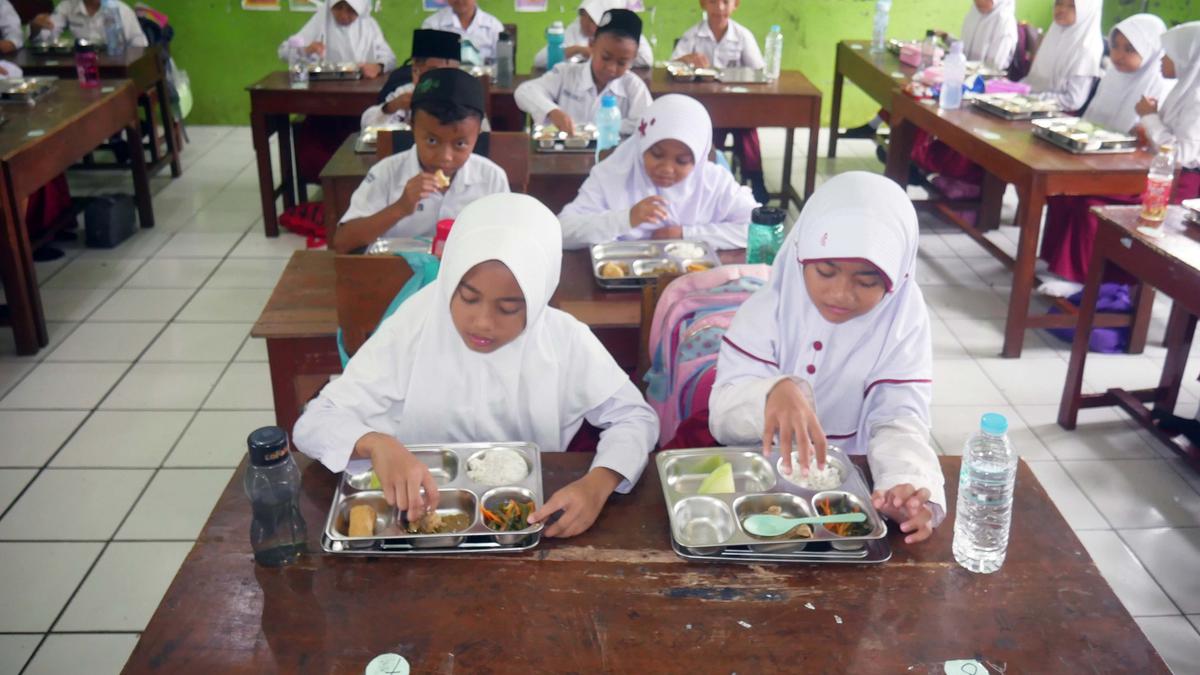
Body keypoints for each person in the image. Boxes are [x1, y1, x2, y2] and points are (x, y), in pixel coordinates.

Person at [294, 193, 660, 538]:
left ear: (539, 295)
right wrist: (374, 443)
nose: (483, 323)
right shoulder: (419, 321)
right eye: (468, 297)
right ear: (449, 278)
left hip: (526, 523)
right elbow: (314, 422)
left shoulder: (561, 339)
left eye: (509, 308)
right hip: (418, 520)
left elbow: (635, 418)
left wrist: (599, 483)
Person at [708, 172, 944, 544]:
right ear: (800, 256)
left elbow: (898, 419)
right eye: (825, 271)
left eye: (866, 282)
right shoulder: (766, 311)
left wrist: (904, 487)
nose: (840, 293)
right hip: (756, 485)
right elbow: (722, 420)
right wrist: (771, 394)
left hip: (846, 493)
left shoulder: (901, 322)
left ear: (897, 278)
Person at [1038, 15, 1187, 296]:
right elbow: (1094, 120)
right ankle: (1058, 263)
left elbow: (1157, 145)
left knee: (1089, 203)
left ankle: (1081, 278)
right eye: (1115, 46)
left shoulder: (1158, 87)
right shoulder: (1114, 76)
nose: (1118, 55)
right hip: (1103, 163)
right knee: (1061, 193)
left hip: (1136, 177)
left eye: (1130, 49)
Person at [334, 68, 509, 253]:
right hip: (396, 276)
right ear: (412, 127)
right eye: (432, 141)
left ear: (477, 134)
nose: (445, 157)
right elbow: (342, 242)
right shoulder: (386, 173)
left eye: (460, 143)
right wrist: (400, 208)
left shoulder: (492, 179)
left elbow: (507, 244)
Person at [558, 94, 757, 250]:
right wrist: (626, 219)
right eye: (656, 154)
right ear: (641, 145)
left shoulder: (713, 182)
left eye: (682, 161)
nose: (666, 169)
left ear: (698, 158)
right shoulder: (611, 175)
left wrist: (685, 234)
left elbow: (758, 229)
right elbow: (562, 231)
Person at [671, 0, 769, 203]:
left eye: (726, 2)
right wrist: (687, 59)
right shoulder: (693, 35)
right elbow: (671, 64)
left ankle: (756, 180)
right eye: (713, 2)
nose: (720, 8)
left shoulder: (742, 36)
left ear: (736, 5)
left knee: (748, 131)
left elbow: (759, 70)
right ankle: (713, 182)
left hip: (737, 105)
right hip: (706, 108)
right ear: (703, 4)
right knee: (711, 136)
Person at [515, 8, 652, 137]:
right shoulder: (566, 74)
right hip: (564, 158)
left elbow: (648, 123)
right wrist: (552, 111)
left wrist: (603, 127)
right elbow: (524, 91)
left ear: (633, 58)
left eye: (622, 63)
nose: (611, 68)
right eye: (605, 57)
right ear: (592, 45)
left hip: (612, 159)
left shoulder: (633, 87)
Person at [360, 29, 461, 130]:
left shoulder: (465, 96)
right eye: (415, 71)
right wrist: (391, 107)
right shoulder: (407, 92)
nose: (421, 79)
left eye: (432, 72)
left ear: (453, 71)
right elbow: (366, 124)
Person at [276, 0, 395, 77]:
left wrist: (379, 66)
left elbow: (390, 59)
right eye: (338, 8)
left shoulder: (369, 26)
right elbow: (283, 52)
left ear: (361, 11)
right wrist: (306, 49)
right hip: (323, 95)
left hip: (362, 95)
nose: (343, 15)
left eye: (351, 10)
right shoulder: (320, 21)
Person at [1022, 0, 1104, 112]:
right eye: (1059, 3)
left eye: (1072, 6)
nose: (1061, 10)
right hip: (1031, 105)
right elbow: (1034, 81)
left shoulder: (1086, 48)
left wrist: (1031, 97)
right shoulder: (1054, 34)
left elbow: (1073, 101)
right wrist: (1017, 88)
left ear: (1087, 11)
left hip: (1058, 115)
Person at [532, 0, 654, 69]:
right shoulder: (576, 29)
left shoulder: (620, 32)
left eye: (593, 20)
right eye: (583, 16)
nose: (586, 24)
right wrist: (577, 50)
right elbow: (539, 60)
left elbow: (647, 59)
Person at [32, 0, 148, 48]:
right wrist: (36, 28)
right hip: (80, 66)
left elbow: (141, 48)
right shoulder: (68, 6)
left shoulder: (120, 10)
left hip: (115, 67)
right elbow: (45, 39)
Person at [422, 0, 504, 64]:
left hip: (484, 81)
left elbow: (502, 64)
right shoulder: (432, 24)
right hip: (445, 80)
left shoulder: (494, 26)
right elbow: (424, 63)